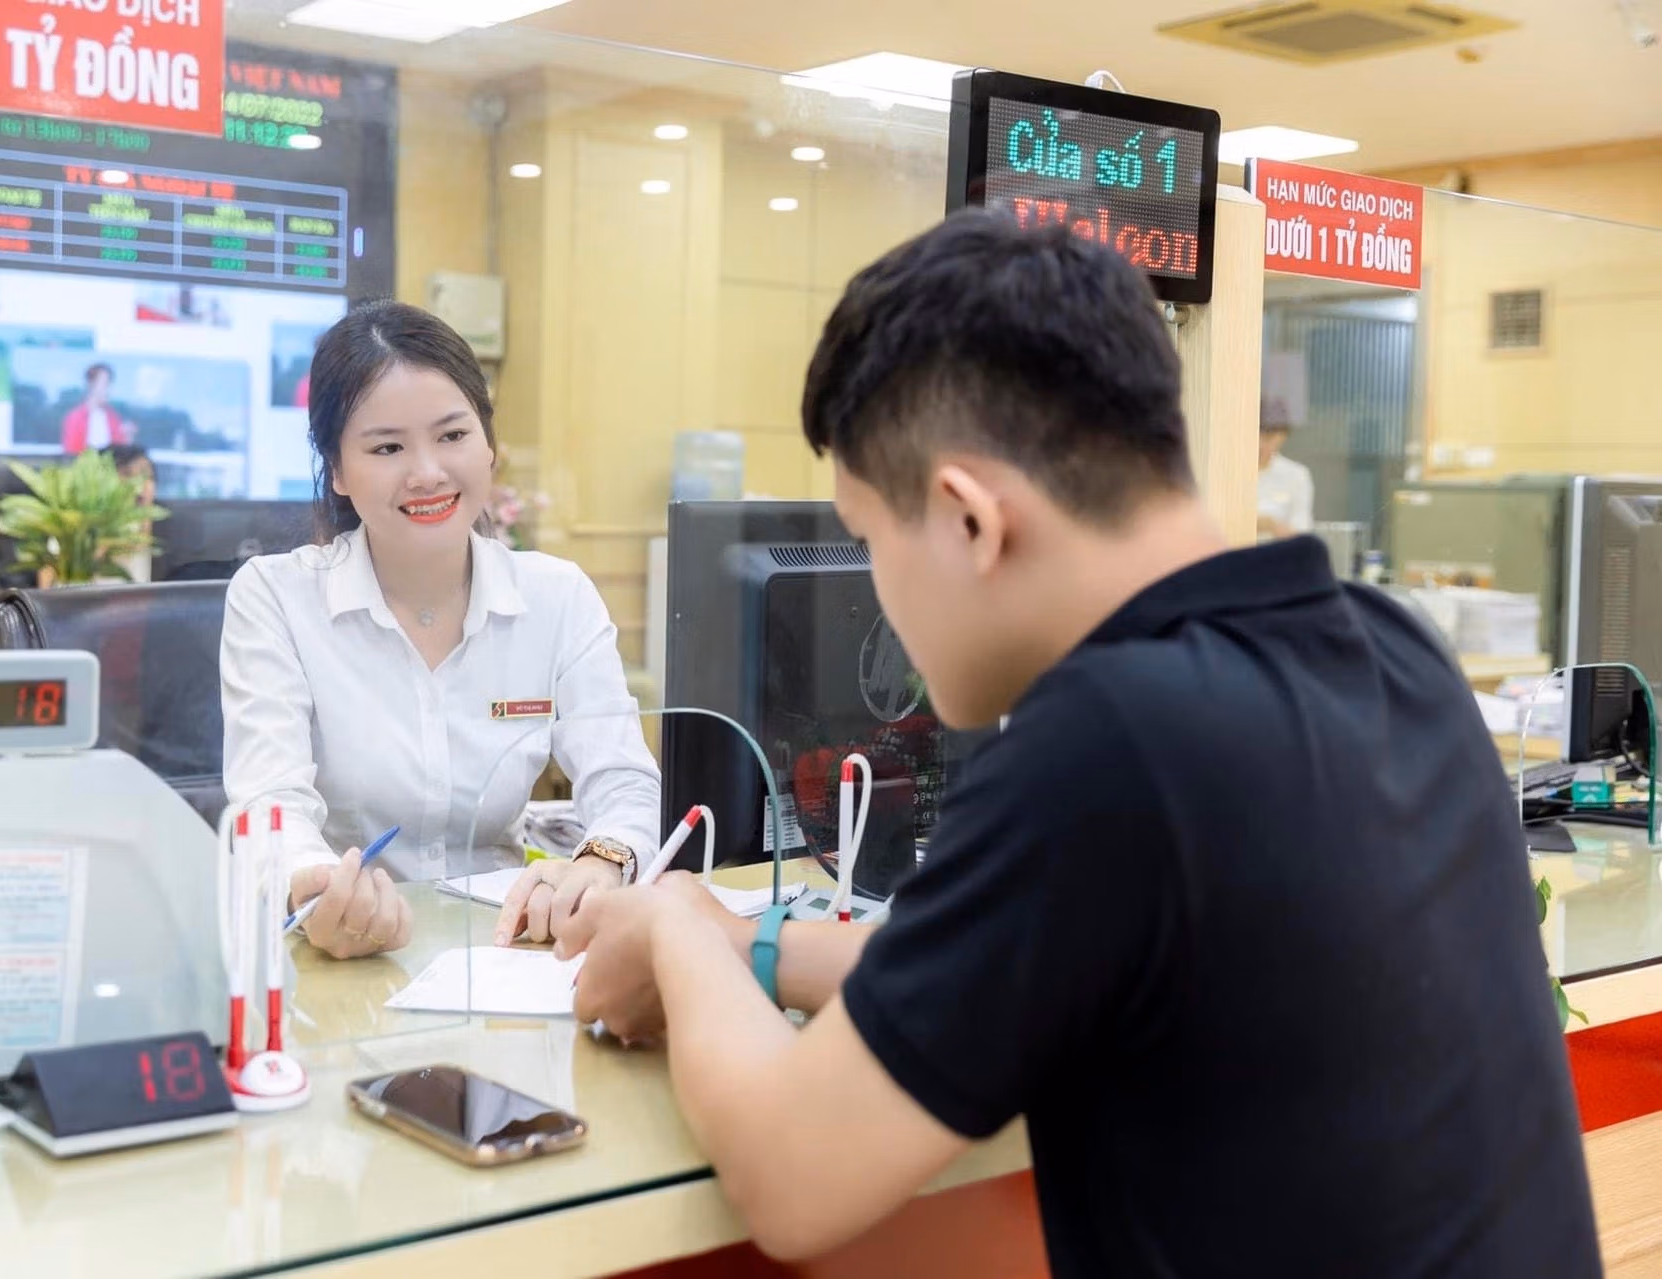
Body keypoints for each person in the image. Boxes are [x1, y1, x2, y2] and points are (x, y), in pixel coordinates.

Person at [559, 214, 1600, 1275]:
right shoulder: (1389, 646)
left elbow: (791, 1175)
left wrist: (677, 928)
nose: (875, 585)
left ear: (969, 519)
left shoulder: (1105, 743)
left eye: (869, 540)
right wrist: (755, 944)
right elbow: (1032, 957)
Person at [220, 300, 660, 960]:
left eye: (452, 435)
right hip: (337, 962)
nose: (427, 472)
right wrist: (313, 886)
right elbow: (269, 804)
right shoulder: (275, 597)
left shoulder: (557, 596)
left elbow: (624, 780)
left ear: (489, 444)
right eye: (387, 447)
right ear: (336, 470)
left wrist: (603, 860)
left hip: (513, 956)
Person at [1256, 402, 1313, 539]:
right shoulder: (1231, 473)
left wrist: (1271, 525)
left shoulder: (1296, 475)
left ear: (1283, 436)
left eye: (1269, 437)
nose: (1260, 444)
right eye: (1257, 435)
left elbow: (1301, 530)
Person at [106, 444, 157, 584]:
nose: (140, 484)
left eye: (147, 476)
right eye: (128, 475)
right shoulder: (77, 533)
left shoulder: (167, 528)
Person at [61, 363, 135, 455]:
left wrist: (128, 437)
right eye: (105, 384)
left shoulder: (113, 418)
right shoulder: (75, 418)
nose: (108, 390)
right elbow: (70, 453)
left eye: (110, 384)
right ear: (91, 384)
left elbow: (121, 453)